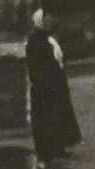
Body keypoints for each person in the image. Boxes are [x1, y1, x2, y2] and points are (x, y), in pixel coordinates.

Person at [23, 8, 82, 160]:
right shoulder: (35, 42)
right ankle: (48, 150)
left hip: (53, 85)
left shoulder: (47, 39)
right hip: (44, 87)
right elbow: (38, 66)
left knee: (57, 116)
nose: (49, 22)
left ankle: (59, 147)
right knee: (47, 119)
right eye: (46, 20)